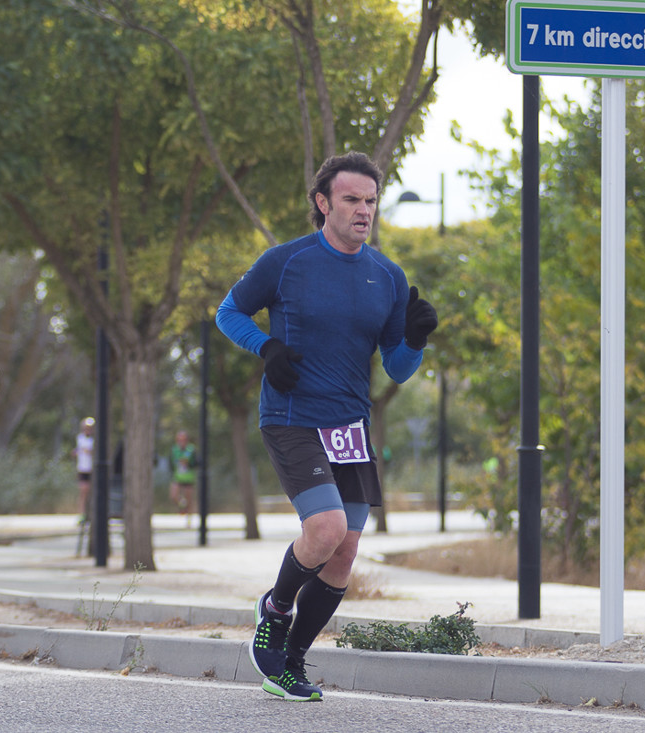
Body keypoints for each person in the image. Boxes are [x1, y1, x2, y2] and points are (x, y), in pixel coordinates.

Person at [215, 151, 438, 701]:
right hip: (293, 417)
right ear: (323, 203)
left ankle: (290, 662)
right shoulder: (286, 261)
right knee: (326, 529)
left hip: (350, 426)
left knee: (344, 553)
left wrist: (415, 340)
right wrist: (266, 346)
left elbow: (397, 368)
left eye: (371, 200)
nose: (364, 210)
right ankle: (275, 609)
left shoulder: (387, 276)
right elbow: (229, 312)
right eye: (351, 199)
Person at [168, 430, 197, 524]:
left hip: (188, 478)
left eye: (183, 440)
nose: (181, 442)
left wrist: (189, 463)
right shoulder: (174, 449)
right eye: (179, 440)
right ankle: (182, 505)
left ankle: (189, 520)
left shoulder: (191, 449)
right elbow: (171, 462)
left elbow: (196, 462)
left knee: (189, 499)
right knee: (174, 495)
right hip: (177, 477)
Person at [73, 417, 95, 522]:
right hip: (83, 469)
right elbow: (78, 450)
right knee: (83, 491)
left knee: (91, 492)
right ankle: (82, 514)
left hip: (92, 469)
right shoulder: (80, 438)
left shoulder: (94, 440)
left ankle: (91, 513)